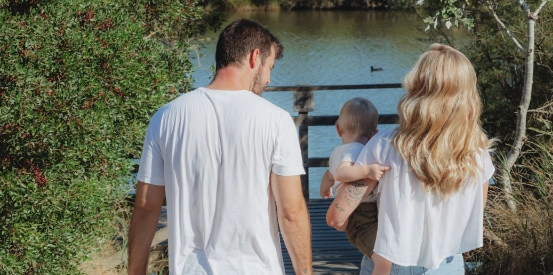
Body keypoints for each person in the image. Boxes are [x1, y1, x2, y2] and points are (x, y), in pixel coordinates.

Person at [128, 19, 312, 275]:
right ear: (254, 57)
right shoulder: (276, 120)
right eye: (269, 67)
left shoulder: (166, 117)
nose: (268, 79)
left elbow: (146, 208)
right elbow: (291, 212)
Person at [327, 44, 494, 275]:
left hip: (393, 264)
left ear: (415, 90)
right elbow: (474, 212)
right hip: (448, 265)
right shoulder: (478, 153)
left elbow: (337, 217)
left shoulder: (384, 146)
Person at [319, 98, 391, 274]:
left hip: (359, 214)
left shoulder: (337, 152)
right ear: (374, 134)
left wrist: (324, 190)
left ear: (337, 129)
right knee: (383, 259)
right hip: (362, 217)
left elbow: (329, 175)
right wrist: (367, 171)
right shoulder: (356, 150)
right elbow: (340, 174)